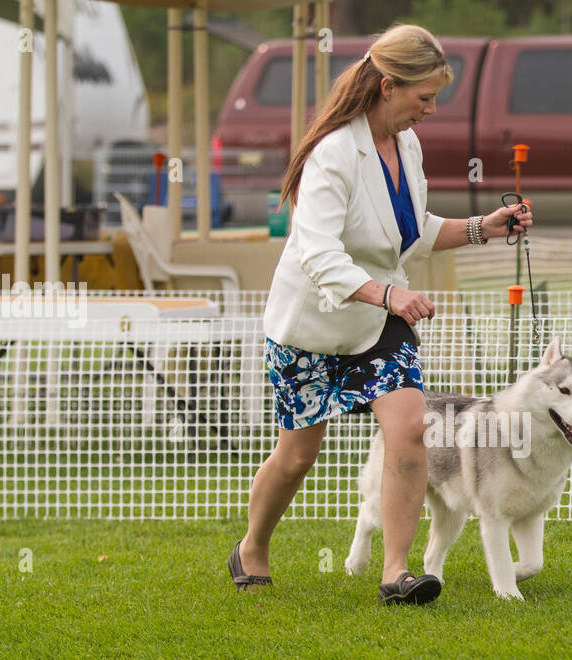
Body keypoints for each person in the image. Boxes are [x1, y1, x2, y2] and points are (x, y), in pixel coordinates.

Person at [228, 23, 533, 606]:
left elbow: (408, 232)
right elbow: (320, 254)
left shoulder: (407, 146)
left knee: (411, 430)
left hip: (377, 325)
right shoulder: (332, 153)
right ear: (388, 86)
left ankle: (397, 573)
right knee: (296, 458)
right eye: (424, 98)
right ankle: (251, 547)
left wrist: (479, 228)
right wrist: (391, 295)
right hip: (313, 323)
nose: (431, 110)